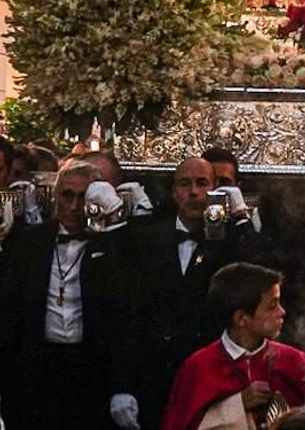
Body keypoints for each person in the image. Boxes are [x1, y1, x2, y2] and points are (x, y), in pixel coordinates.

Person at [110, 157, 253, 428]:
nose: (194, 192)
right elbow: (128, 315)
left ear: (214, 191)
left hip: (210, 379)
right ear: (174, 192)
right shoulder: (142, 241)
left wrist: (241, 221)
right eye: (185, 184)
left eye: (202, 184)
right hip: (152, 375)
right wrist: (122, 386)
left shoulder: (231, 244)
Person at [0, 161, 121, 429]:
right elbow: (9, 310)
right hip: (37, 367)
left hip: (90, 369)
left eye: (83, 197)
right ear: (55, 196)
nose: (74, 206)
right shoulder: (30, 241)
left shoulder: (111, 245)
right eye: (67, 195)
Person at [162, 263, 305, 430]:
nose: (282, 312)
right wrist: (238, 404)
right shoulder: (199, 367)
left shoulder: (293, 360)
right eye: (272, 306)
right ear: (241, 319)